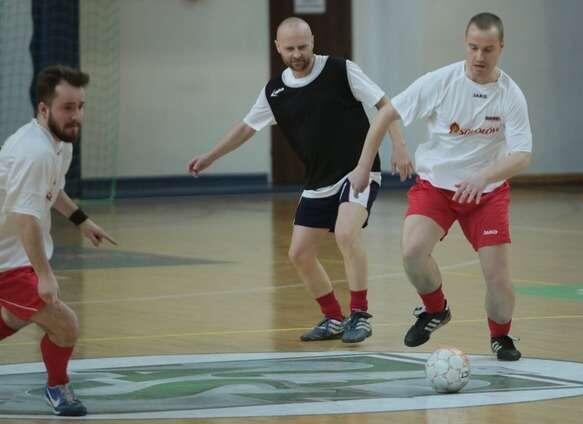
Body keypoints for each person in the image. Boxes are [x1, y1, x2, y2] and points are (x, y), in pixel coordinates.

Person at [188, 17, 410, 344]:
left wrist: (400, 146)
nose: (297, 54)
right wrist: (211, 156)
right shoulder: (275, 91)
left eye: (303, 47)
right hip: (317, 180)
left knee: (346, 234)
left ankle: (360, 315)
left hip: (358, 171)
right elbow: (247, 127)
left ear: (312, 41)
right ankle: (333, 318)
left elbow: (385, 104)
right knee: (299, 254)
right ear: (278, 48)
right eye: (290, 48)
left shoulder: (340, 70)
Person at [349, 13, 532, 360]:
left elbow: (522, 155)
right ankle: (435, 309)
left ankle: (501, 337)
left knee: (497, 278)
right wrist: (363, 164)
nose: (479, 56)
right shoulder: (441, 82)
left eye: (488, 49)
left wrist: (484, 176)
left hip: (486, 194)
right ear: (465, 44)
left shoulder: (510, 95)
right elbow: (386, 113)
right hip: (436, 187)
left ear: (501, 48)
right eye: (473, 47)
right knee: (412, 253)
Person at [0, 65, 117, 416]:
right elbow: (25, 219)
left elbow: (53, 191)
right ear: (43, 108)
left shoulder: (58, 142)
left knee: (16, 317)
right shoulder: (34, 152)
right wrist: (44, 275)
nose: (76, 116)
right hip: (6, 260)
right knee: (65, 325)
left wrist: (82, 220)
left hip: (13, 255)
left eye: (80, 106)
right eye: (67, 107)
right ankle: (57, 387)